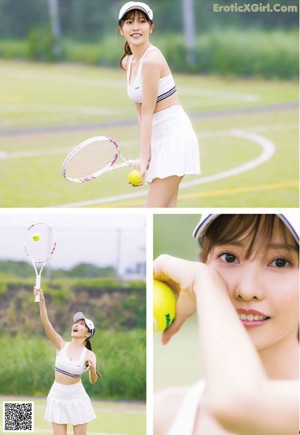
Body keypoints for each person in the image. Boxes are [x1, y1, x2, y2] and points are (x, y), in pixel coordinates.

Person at [153, 214, 299, 435]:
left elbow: (239, 403)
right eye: (229, 257)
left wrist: (202, 281)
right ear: (202, 261)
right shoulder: (165, 415)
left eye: (280, 262)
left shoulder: (234, 402)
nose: (247, 290)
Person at [118, 1, 200, 208]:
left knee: (151, 211)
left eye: (142, 21)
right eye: (129, 22)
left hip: (175, 138)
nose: (136, 27)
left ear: (151, 27)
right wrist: (148, 152)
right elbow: (139, 111)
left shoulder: (152, 60)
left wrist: (144, 159)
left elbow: (148, 113)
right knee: (167, 210)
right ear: (121, 29)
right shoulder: (127, 63)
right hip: (160, 140)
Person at [34, 287, 100, 435]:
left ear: (88, 333)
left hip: (77, 399)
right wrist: (42, 300)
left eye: (82, 324)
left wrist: (92, 370)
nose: (76, 325)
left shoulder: (89, 354)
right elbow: (45, 322)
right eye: (76, 323)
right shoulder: (60, 344)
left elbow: (93, 380)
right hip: (57, 396)